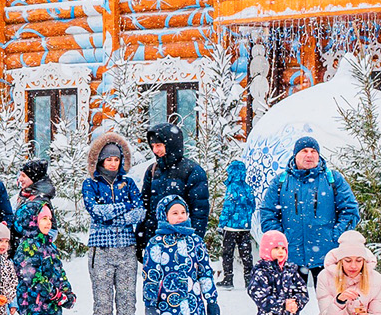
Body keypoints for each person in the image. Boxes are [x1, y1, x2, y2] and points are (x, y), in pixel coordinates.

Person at [257, 136, 359, 286]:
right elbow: (267, 212)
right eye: (304, 151)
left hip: (327, 255)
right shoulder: (281, 181)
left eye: (313, 151)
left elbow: (350, 210)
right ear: (295, 155)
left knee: (332, 304)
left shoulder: (333, 179)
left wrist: (335, 237)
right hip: (291, 257)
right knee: (289, 305)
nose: (309, 155)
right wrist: (281, 240)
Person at [81, 131, 145, 315]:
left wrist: (115, 212)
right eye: (109, 160)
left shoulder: (128, 183)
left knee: (128, 303)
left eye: (116, 159)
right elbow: (96, 211)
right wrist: (124, 209)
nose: (113, 163)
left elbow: (140, 211)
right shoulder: (91, 184)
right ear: (100, 161)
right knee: (104, 305)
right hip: (102, 251)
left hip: (126, 250)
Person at [137, 122, 210, 249]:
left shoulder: (192, 171)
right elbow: (145, 207)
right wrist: (141, 239)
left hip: (182, 242)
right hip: (156, 242)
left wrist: (194, 242)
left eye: (159, 145)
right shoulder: (152, 170)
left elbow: (199, 212)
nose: (155, 150)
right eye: (153, 146)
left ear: (170, 144)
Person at [216, 160, 256, 289]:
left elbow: (228, 207)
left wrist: (221, 223)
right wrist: (246, 219)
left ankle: (228, 279)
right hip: (245, 227)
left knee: (228, 253)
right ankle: (248, 279)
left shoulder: (232, 187)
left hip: (231, 227)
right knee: (246, 254)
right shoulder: (247, 187)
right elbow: (252, 205)